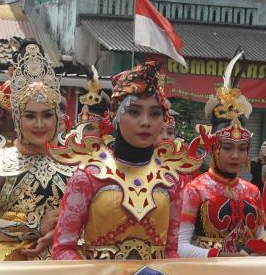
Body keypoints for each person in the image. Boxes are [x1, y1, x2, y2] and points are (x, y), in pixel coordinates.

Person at [51, 57, 202, 260]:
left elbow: (170, 251)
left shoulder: (171, 178)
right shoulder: (88, 175)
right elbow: (63, 249)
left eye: (155, 114)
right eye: (134, 112)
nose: (146, 122)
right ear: (116, 115)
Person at [0, 42, 72, 261]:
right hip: (11, 265)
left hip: (63, 262)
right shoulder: (0, 160)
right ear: (18, 120)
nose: (39, 124)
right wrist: (34, 228)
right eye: (30, 116)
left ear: (57, 118)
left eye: (47, 115)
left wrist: (61, 231)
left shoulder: (74, 162)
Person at [178, 61, 266, 258]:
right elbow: (179, 246)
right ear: (213, 147)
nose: (236, 155)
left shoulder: (252, 191)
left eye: (242, 149)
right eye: (227, 148)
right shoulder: (195, 189)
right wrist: (219, 257)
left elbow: (263, 237)